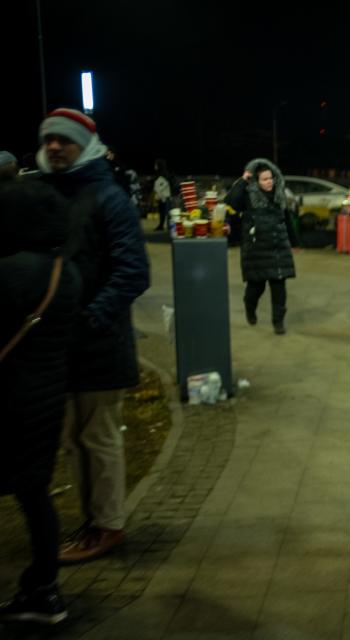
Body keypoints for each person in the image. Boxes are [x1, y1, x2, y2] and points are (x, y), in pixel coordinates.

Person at [37, 108, 150, 564]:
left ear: (83, 145)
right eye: (49, 141)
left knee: (98, 438)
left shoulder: (108, 197)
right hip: (58, 346)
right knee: (72, 439)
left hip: (99, 344)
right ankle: (91, 522)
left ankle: (108, 525)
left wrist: (89, 319)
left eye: (63, 140)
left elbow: (132, 271)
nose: (55, 147)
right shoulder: (43, 194)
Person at [0, 180, 82, 625]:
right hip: (48, 400)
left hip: (9, 398)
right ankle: (45, 590)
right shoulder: (63, 271)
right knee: (35, 495)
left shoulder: (10, 271)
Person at [225, 158, 296, 335]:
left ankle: (278, 321)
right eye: (264, 179)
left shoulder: (279, 195)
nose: (269, 182)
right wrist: (243, 180)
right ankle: (250, 306)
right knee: (256, 287)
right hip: (256, 249)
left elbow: (287, 220)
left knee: (279, 286)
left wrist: (294, 242)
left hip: (278, 247)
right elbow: (230, 201)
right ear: (256, 181)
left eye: (271, 178)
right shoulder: (248, 195)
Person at [152, 159, 175, 232]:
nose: (155, 166)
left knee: (167, 212)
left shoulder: (163, 175)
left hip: (165, 197)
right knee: (162, 212)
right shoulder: (161, 174)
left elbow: (160, 187)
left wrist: (159, 195)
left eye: (156, 164)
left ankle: (168, 227)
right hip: (162, 197)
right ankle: (161, 225)